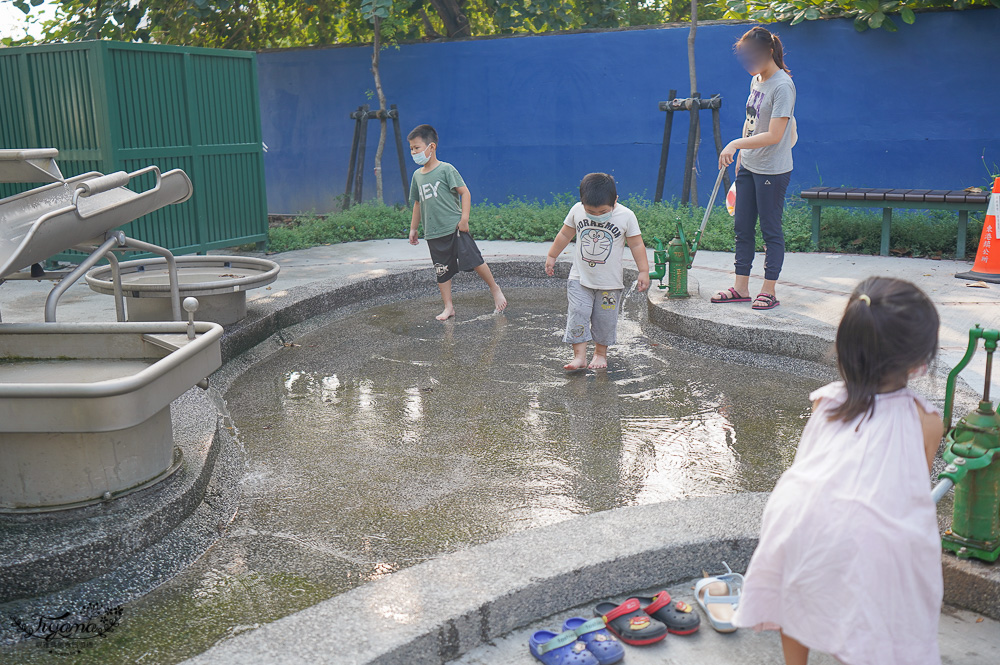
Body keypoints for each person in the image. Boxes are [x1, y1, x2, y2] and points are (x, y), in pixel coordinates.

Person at [731, 276, 945, 665]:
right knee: (868, 616)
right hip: (874, 538)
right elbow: (910, 492)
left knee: (798, 594)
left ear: (848, 345)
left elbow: (815, 462)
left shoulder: (826, 402)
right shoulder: (926, 421)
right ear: (919, 362)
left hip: (797, 517)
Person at [714, 26, 797, 311]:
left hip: (772, 169)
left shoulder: (783, 85)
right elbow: (751, 122)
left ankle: (769, 290)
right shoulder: (757, 81)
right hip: (749, 165)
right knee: (742, 228)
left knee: (770, 230)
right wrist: (741, 157)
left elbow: (775, 134)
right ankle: (740, 288)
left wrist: (734, 144)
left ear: (769, 52)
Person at [544, 173, 650, 371]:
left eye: (602, 211)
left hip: (610, 284)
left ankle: (600, 353)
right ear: (582, 202)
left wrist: (643, 271)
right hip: (580, 279)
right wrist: (552, 256)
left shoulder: (626, 216)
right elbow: (565, 234)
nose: (597, 215)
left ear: (615, 201)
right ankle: (579, 357)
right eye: (591, 211)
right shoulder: (577, 210)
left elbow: (636, 244)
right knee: (578, 312)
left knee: (605, 320)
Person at [407, 124, 507, 320]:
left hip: (455, 228)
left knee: (475, 260)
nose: (413, 152)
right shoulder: (417, 176)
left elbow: (465, 192)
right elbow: (417, 204)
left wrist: (464, 218)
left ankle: (495, 289)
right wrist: (413, 228)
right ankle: (448, 307)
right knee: (441, 270)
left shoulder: (446, 169)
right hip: (433, 233)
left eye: (417, 148)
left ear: (431, 147)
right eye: (411, 149)